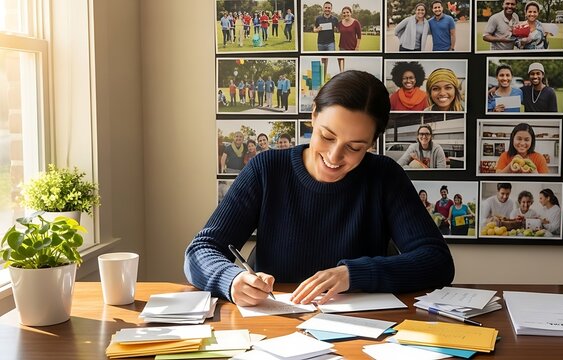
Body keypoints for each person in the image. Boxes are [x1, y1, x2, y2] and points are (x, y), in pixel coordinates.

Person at [183, 70, 455, 306]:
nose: (334, 157)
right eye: (327, 136)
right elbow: (201, 250)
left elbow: (437, 262)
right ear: (313, 115)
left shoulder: (384, 176)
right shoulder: (266, 169)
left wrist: (353, 274)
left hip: (362, 330)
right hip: (274, 325)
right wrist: (233, 280)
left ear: (372, 142)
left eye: (355, 147)